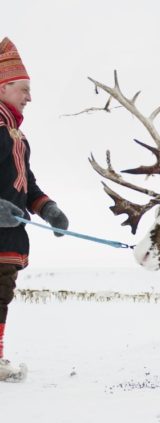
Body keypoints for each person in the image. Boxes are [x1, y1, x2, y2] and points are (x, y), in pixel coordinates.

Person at [0, 37, 69, 382]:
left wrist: (49, 209)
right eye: (23, 89)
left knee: (1, 294)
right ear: (4, 86)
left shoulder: (16, 135)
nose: (29, 97)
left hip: (10, 236)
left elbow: (27, 185)